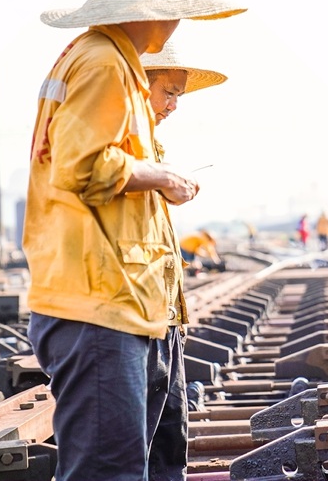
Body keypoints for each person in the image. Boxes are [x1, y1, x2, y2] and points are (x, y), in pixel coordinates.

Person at [23, 0, 244, 481]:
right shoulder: (104, 65)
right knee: (111, 472)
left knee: (150, 465)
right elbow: (83, 167)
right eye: (172, 12)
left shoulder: (109, 65)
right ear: (150, 10)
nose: (175, 25)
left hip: (126, 305)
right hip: (99, 307)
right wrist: (162, 175)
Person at [140, 40, 227, 479]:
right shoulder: (120, 148)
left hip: (165, 315)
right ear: (139, 86)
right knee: (137, 444)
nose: (174, 105)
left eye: (179, 95)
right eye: (168, 92)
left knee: (168, 434)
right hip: (138, 317)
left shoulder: (149, 146)